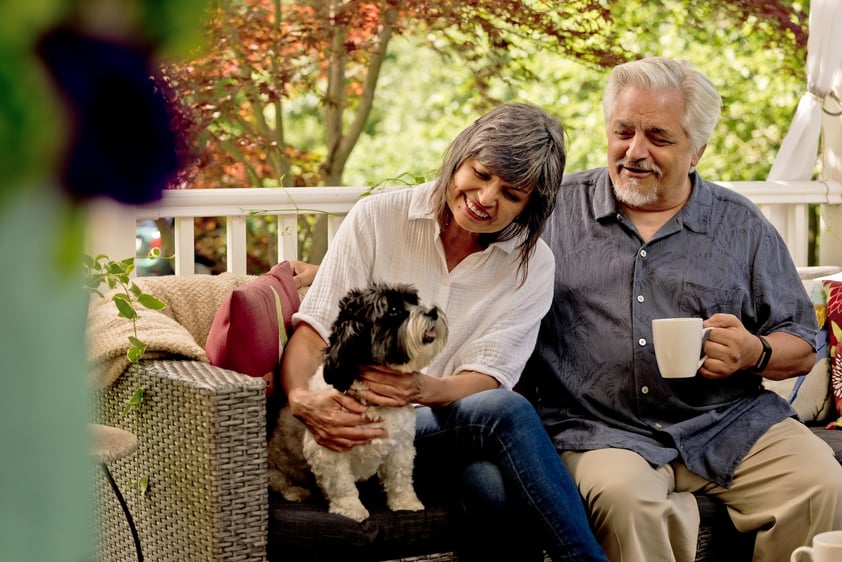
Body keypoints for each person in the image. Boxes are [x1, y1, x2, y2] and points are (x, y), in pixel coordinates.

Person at [520, 56, 842, 562]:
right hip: (600, 429)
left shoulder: (741, 226)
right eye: (623, 131)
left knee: (823, 482)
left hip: (728, 422)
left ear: (698, 150)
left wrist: (752, 352)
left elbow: (800, 342)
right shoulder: (552, 214)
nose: (635, 151)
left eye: (658, 137)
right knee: (622, 500)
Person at [279, 102, 608, 561]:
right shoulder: (377, 218)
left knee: (498, 438)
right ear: (459, 157)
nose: (487, 197)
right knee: (491, 468)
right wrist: (300, 397)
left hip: (441, 424)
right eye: (482, 173)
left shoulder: (532, 264)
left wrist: (421, 388)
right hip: (368, 423)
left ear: (531, 205)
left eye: (512, 193)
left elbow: (488, 376)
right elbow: (315, 331)